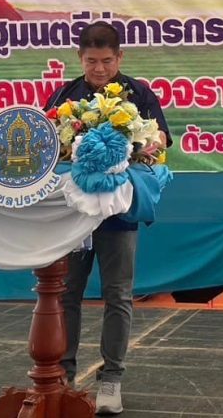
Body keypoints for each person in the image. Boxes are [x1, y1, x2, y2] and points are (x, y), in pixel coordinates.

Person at [44, 22, 169, 415]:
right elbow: (46, 143)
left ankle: (111, 379)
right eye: (91, 61)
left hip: (119, 214)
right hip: (73, 216)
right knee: (67, 294)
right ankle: (62, 377)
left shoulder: (139, 94)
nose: (99, 69)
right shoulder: (64, 96)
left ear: (120, 57)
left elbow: (161, 141)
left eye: (107, 61)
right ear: (79, 58)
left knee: (118, 295)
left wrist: (138, 146)